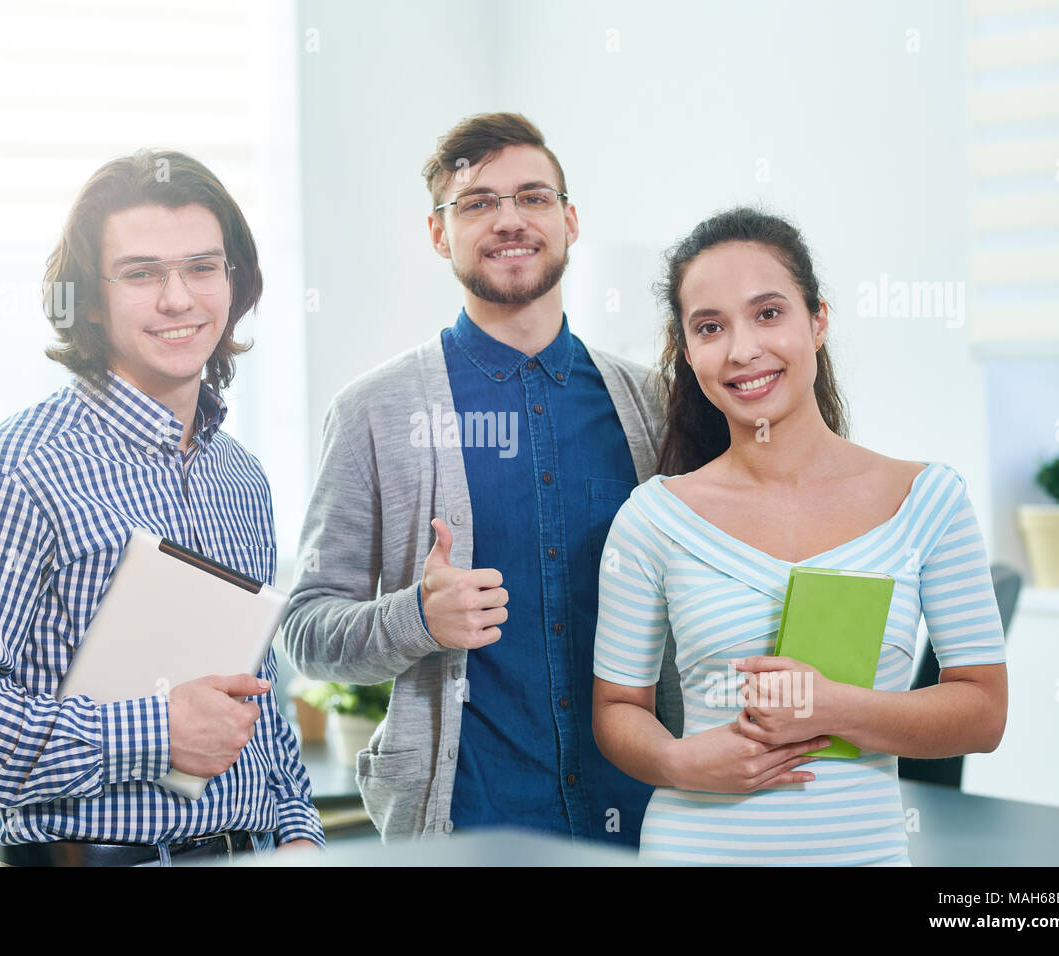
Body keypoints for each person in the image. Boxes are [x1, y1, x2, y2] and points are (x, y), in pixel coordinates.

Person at [0, 149, 323, 865]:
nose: (178, 298)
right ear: (88, 300)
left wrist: (297, 825)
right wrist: (154, 733)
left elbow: (254, 695)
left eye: (203, 267)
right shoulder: (11, 473)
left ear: (233, 281)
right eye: (142, 273)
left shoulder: (241, 478)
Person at [282, 112, 682, 845]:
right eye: (477, 202)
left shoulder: (654, 407)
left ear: (569, 220)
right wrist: (418, 620)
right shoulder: (375, 411)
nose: (510, 220)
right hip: (466, 830)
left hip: (650, 823)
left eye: (533, 197)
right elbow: (305, 630)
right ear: (439, 234)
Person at [591, 207, 1008, 865]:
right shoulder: (652, 519)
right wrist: (675, 760)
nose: (742, 350)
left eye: (768, 313)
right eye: (710, 327)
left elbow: (982, 714)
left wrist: (831, 708)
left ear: (817, 320)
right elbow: (617, 708)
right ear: (687, 349)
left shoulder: (929, 502)